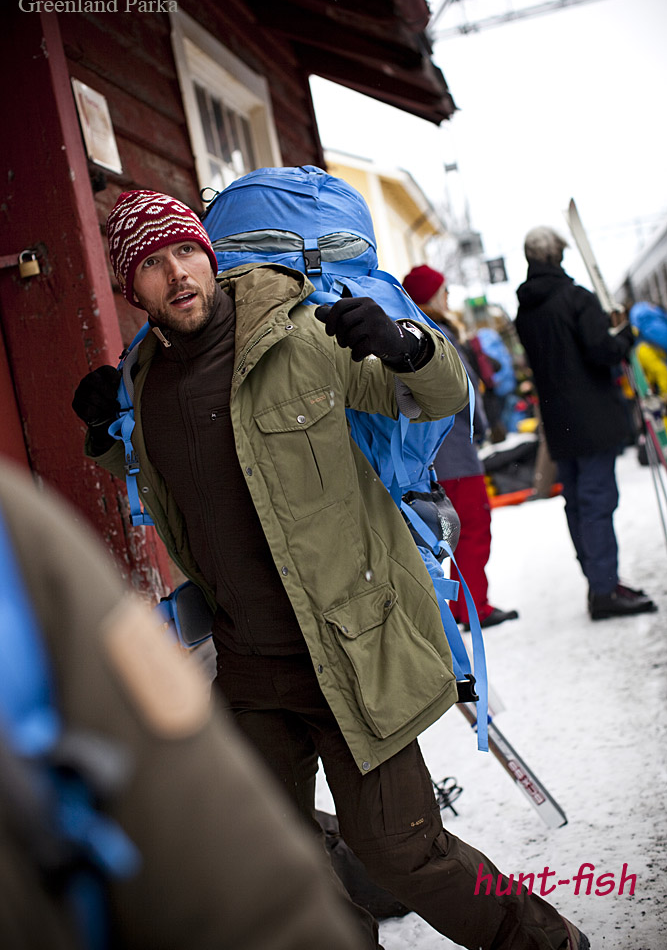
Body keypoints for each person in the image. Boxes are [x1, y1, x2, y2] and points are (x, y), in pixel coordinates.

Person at [73, 189, 589, 950]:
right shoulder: (144, 385)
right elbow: (169, 486)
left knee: (403, 851)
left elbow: (438, 397)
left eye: (185, 250)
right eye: (151, 264)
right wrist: (102, 432)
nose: (176, 273)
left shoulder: (301, 334)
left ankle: (549, 944)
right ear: (130, 288)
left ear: (208, 255)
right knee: (277, 859)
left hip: (351, 650)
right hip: (251, 670)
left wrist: (410, 344)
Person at [0, 455, 371, 950]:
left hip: (318, 653)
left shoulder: (16, 543)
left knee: (390, 848)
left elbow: (247, 893)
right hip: (246, 664)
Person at [515, 226, 657, 620]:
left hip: (558, 421)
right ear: (559, 256)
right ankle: (604, 589)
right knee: (597, 502)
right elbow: (602, 351)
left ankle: (600, 581)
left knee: (577, 501)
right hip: (592, 417)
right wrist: (625, 335)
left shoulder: (525, 309)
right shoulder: (576, 298)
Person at [402, 264, 519, 630]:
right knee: (472, 527)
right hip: (454, 450)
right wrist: (480, 429)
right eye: (444, 291)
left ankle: (455, 608)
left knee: (441, 536)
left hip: (427, 454)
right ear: (433, 296)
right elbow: (465, 391)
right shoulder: (441, 333)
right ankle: (473, 608)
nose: (449, 297)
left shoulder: (406, 329)